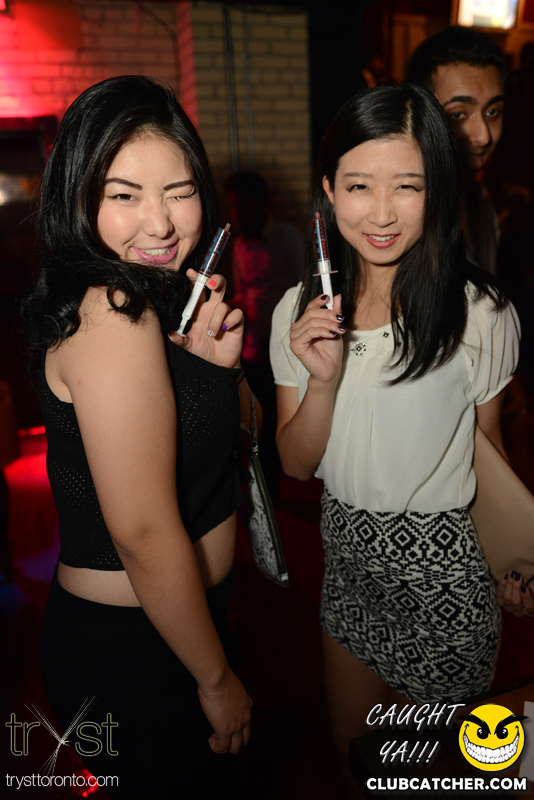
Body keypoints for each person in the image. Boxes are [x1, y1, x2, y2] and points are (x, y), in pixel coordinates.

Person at [269, 83, 529, 790]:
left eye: (407, 186)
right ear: (329, 189)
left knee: (437, 775)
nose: (381, 213)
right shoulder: (300, 310)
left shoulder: (479, 311)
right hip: (348, 565)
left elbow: (489, 452)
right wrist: (322, 380)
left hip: (446, 573)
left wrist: (513, 559)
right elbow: (295, 464)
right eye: (359, 186)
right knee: (355, 757)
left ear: (436, 190)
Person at [22, 76, 252, 799]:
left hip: (173, 626)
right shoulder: (112, 308)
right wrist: (214, 676)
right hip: (133, 649)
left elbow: (222, 451)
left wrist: (213, 369)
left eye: (179, 192)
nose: (160, 223)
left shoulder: (154, 300)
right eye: (124, 195)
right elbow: (144, 533)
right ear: (79, 198)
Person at [225, 170, 305, 495]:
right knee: (254, 422)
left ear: (261, 203)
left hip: (283, 351)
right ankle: (262, 486)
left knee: (277, 422)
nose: (236, 213)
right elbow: (243, 293)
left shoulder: (287, 238)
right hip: (252, 350)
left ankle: (276, 491)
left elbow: (305, 291)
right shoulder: (239, 245)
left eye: (242, 205)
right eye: (232, 206)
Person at [406, 26, 507, 275]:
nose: (483, 136)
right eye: (458, 115)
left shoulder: (481, 203)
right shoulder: (401, 217)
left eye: (492, 111)